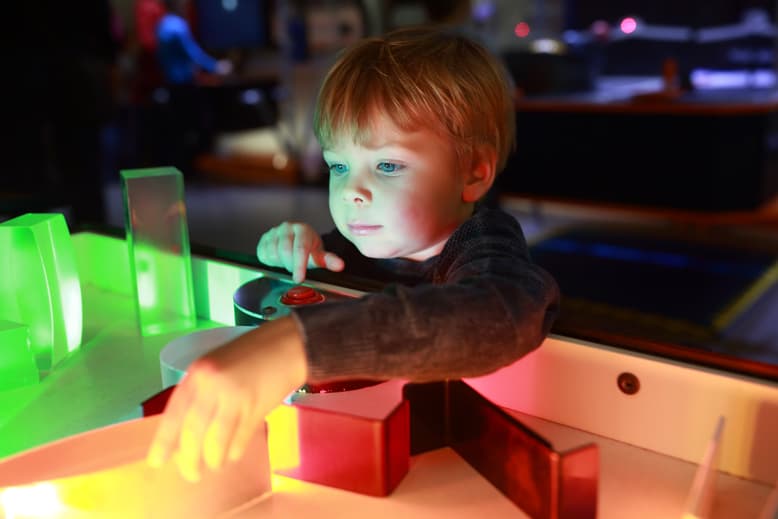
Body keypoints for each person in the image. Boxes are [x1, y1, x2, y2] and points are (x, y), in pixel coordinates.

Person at [147, 26, 560, 482]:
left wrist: (297, 346)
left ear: (474, 173)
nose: (352, 192)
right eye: (338, 166)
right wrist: (299, 254)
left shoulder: (487, 242)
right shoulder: (350, 247)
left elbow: (497, 315)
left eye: (387, 165)